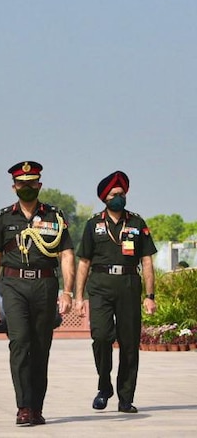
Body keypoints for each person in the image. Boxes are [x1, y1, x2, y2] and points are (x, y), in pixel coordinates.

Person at [0, 161, 75, 426]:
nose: (26, 187)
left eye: (31, 183)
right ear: (14, 187)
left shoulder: (54, 216)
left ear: (39, 185)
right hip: (13, 286)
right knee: (20, 342)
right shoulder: (3, 217)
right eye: (21, 183)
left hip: (45, 285)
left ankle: (36, 407)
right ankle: (23, 406)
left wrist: (67, 292)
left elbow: (67, 254)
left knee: (40, 347)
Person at [73, 170, 157, 414]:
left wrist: (150, 297)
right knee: (101, 337)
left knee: (130, 344)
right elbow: (84, 263)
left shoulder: (137, 223)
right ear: (105, 198)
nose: (119, 197)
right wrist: (79, 297)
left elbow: (147, 262)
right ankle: (104, 387)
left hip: (129, 285)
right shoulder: (93, 225)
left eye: (122, 193)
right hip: (99, 285)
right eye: (114, 194)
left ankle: (125, 397)